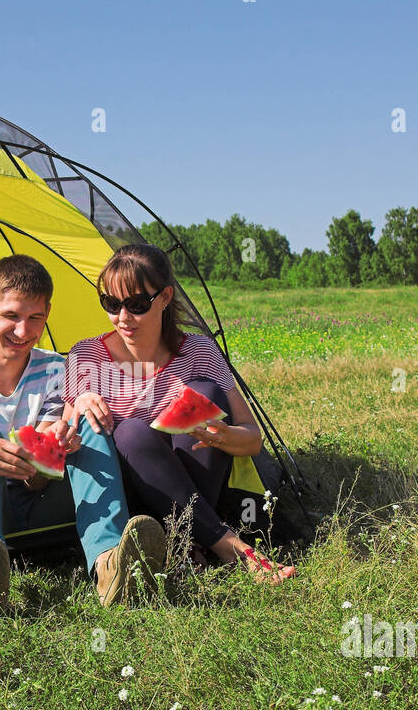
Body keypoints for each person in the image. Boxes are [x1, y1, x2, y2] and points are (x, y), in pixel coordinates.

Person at [0, 255, 167, 608]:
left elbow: (37, 480)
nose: (23, 332)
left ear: (48, 313)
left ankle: (110, 565)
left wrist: (60, 446)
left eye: (35, 318)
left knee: (87, 419)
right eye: (11, 316)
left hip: (39, 503)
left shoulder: (56, 369)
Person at [64, 244, 296, 583]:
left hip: (199, 487)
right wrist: (79, 407)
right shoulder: (86, 355)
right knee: (130, 432)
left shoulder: (199, 350)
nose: (123, 318)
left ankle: (187, 544)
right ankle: (232, 549)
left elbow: (253, 439)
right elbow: (68, 441)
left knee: (205, 393)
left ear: (166, 297)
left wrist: (226, 435)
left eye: (137, 305)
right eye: (111, 304)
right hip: (132, 498)